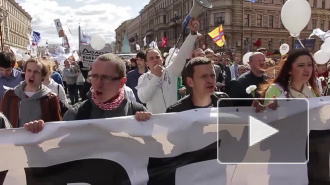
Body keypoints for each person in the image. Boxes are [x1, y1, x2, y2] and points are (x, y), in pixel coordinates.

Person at [62, 53, 151, 121]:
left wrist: (146, 125)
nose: (98, 83)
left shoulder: (137, 112)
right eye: (95, 76)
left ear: (121, 82)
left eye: (106, 78)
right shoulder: (75, 114)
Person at [136, 19, 200, 114]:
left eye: (157, 57)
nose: (155, 60)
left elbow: (182, 54)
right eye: (151, 58)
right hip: (155, 121)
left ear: (162, 59)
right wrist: (156, 77)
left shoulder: (171, 71)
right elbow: (143, 98)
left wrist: (192, 34)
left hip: (173, 119)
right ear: (146, 63)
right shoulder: (143, 78)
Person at [0, 58, 61, 130]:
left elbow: (56, 127)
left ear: (43, 76)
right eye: (29, 71)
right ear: (24, 72)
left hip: (40, 140)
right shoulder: (10, 95)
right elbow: (3, 123)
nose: (32, 75)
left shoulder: (50, 98)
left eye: (36, 72)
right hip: (15, 140)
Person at [167, 57, 231, 112]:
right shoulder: (176, 112)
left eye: (212, 76)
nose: (210, 81)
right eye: (204, 76)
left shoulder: (224, 101)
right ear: (190, 82)